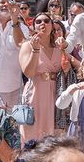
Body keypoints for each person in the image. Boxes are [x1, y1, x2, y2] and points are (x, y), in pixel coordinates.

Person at [18, 12, 63, 141]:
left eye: (46, 21)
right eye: (38, 22)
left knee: (53, 134)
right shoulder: (27, 45)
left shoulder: (59, 46)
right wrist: (36, 50)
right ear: (33, 27)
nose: (43, 24)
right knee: (33, 133)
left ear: (52, 26)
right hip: (36, 93)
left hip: (56, 93)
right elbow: (28, 73)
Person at [52, 19, 79, 133]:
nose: (56, 33)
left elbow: (81, 66)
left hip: (67, 91)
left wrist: (64, 52)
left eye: (59, 29)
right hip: (50, 90)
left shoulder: (70, 48)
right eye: (53, 30)